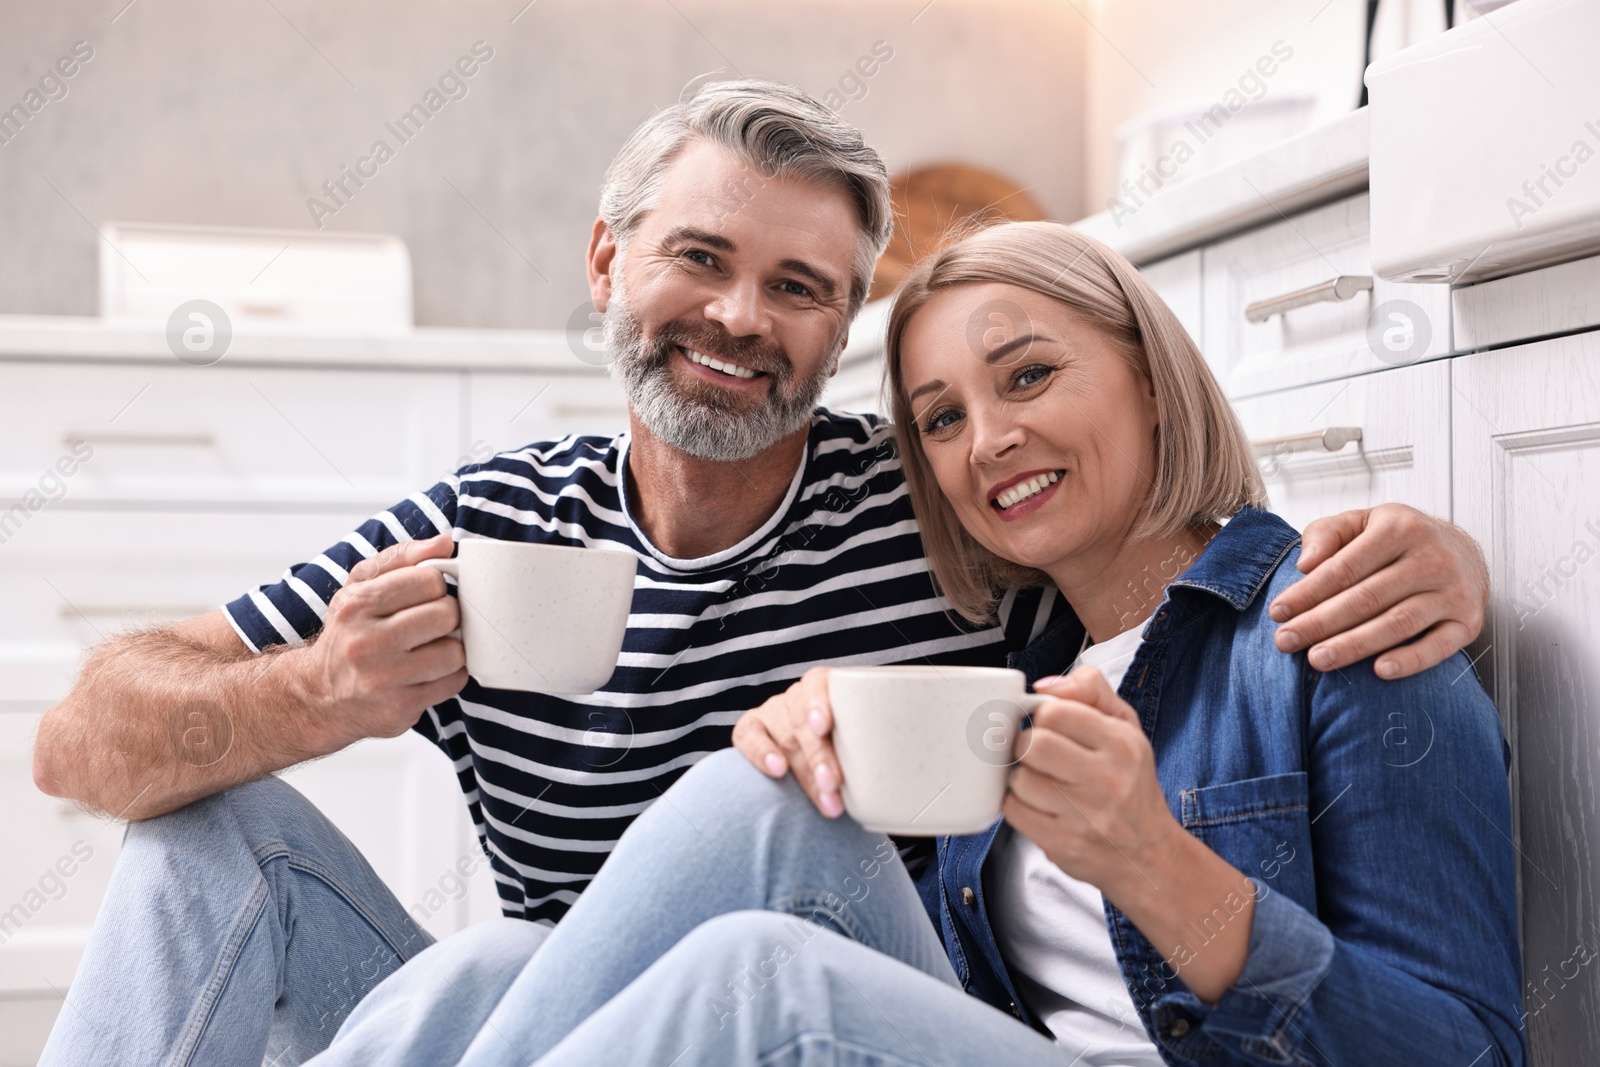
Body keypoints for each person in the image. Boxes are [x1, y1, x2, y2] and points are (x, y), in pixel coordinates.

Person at [32, 81, 1491, 1066]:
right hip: (561, 1014)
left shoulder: (946, 529)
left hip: (799, 999)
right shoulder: (489, 520)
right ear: (609, 262)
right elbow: (79, 735)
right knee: (209, 845)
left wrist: (1443, 547)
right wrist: (325, 688)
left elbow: (1175, 563)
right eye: (700, 258)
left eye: (797, 286)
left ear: (838, 325)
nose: (741, 315)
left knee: (747, 816)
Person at [303, 221, 1522, 1067]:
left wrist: (1155, 864)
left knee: (759, 977)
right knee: (519, 948)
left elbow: (1465, 1048)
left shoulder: (1343, 620)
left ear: (1151, 378)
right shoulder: (1019, 656)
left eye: (1029, 374)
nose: (987, 440)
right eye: (941, 418)